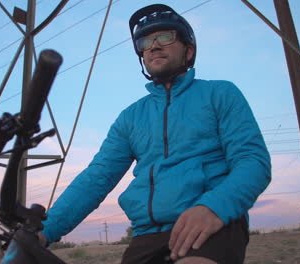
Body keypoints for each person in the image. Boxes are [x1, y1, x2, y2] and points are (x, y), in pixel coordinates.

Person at [38, 4, 271, 264]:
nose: (153, 45)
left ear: (189, 50)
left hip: (210, 223)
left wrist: (214, 207)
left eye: (165, 36)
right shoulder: (131, 117)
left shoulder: (220, 94)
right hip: (146, 235)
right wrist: (45, 231)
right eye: (146, 40)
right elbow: (96, 178)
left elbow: (253, 162)